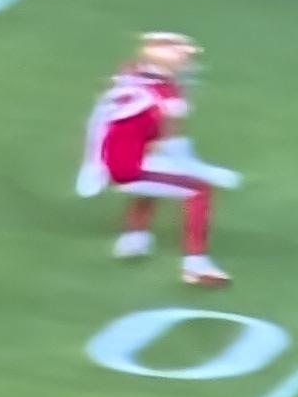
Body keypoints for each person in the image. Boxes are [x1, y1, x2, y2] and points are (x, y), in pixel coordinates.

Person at [78, 30, 238, 283]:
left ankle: (133, 238)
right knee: (199, 189)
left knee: (156, 173)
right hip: (124, 168)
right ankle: (195, 265)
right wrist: (208, 172)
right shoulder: (167, 97)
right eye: (181, 56)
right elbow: (175, 148)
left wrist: (91, 164)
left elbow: (102, 118)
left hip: (115, 156)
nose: (186, 60)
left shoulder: (130, 72)